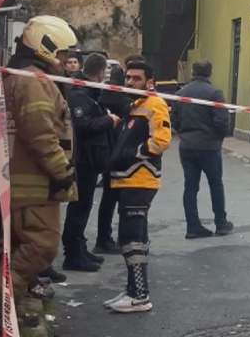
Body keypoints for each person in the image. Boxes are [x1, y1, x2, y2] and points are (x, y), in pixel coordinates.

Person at [0, 16, 79, 328]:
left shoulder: (14, 76)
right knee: (42, 246)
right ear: (45, 47)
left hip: (14, 182)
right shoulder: (34, 82)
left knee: (17, 248)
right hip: (35, 186)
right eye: (61, 54)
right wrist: (62, 171)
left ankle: (1, 312)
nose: (64, 61)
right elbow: (40, 133)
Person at [103, 60, 171, 314]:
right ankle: (133, 290)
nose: (130, 82)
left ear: (149, 82)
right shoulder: (135, 105)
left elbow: (161, 141)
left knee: (133, 238)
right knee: (131, 238)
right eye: (128, 78)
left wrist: (134, 153)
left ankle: (140, 295)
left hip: (140, 180)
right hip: (127, 179)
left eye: (136, 78)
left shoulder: (154, 104)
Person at [61, 53, 119, 271]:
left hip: (90, 159)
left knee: (84, 206)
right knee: (79, 206)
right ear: (100, 72)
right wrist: (108, 120)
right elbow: (82, 125)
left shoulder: (88, 93)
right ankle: (73, 254)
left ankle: (80, 248)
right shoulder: (80, 94)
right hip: (83, 159)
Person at [173, 60, 234, 238]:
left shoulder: (180, 93)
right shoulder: (214, 93)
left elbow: (174, 120)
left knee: (190, 187)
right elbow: (222, 121)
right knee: (215, 184)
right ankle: (221, 223)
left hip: (187, 146)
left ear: (192, 72)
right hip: (209, 147)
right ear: (210, 72)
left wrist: (184, 134)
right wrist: (218, 137)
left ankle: (192, 226)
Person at [94, 56, 140, 256]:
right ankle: (113, 238)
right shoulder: (120, 98)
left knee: (109, 199)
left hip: (109, 153)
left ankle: (105, 238)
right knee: (119, 198)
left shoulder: (105, 95)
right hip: (118, 153)